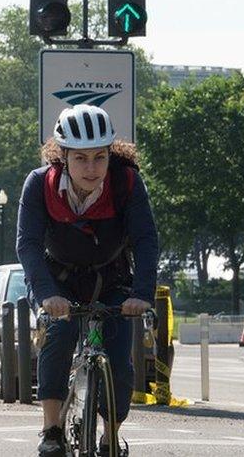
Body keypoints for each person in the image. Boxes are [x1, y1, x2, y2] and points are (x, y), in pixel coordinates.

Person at [17, 105, 158, 457]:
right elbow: (28, 245)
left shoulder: (126, 183)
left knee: (121, 360)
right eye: (81, 159)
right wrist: (47, 294)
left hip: (112, 279)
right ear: (63, 157)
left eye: (100, 157)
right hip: (59, 279)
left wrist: (141, 294)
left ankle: (111, 435)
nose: (92, 168)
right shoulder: (39, 184)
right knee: (58, 335)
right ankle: (51, 429)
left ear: (111, 155)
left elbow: (146, 240)